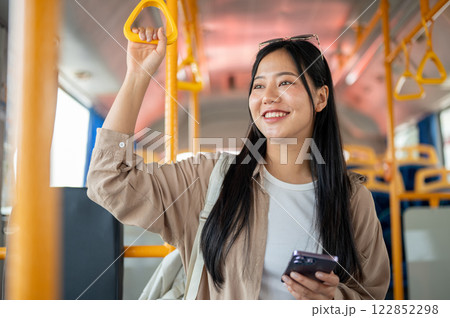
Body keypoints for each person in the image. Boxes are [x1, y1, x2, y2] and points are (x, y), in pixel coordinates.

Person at [86, 26, 390, 300]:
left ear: (321, 97)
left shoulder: (352, 200)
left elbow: (372, 295)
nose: (268, 96)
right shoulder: (210, 180)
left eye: (285, 82)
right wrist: (138, 75)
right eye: (258, 86)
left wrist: (334, 299)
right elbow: (110, 180)